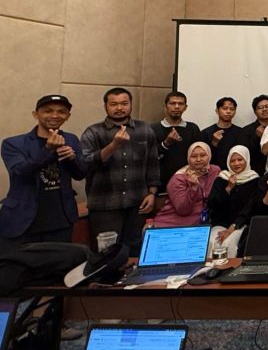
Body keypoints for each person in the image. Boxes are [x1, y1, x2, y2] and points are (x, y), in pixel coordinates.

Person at [1, 94, 88, 250]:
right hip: (22, 221)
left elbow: (80, 174)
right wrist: (48, 149)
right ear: (36, 114)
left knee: (59, 264)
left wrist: (72, 159)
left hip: (61, 221)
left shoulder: (71, 139)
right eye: (48, 111)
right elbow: (20, 173)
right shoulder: (13, 143)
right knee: (18, 264)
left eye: (61, 112)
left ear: (68, 116)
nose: (55, 115)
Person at [81, 88, 160, 253]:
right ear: (105, 106)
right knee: (106, 254)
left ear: (131, 105)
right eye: (114, 104)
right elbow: (85, 163)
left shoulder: (144, 129)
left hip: (137, 203)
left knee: (135, 251)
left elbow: (152, 164)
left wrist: (152, 193)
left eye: (124, 103)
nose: (119, 108)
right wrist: (113, 146)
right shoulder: (93, 132)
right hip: (105, 204)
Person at [207, 145, 261, 256]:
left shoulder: (254, 179)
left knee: (229, 243)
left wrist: (233, 227)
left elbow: (250, 208)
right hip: (221, 223)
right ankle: (211, 267)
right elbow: (213, 204)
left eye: (240, 160)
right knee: (213, 242)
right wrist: (228, 188)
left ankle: (230, 267)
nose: (236, 164)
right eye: (232, 161)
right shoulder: (222, 177)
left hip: (241, 224)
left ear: (246, 159)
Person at [152, 141, 219, 227]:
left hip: (199, 226)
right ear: (188, 158)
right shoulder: (178, 179)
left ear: (209, 156)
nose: (198, 159)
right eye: (194, 156)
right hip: (171, 226)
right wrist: (193, 188)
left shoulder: (214, 171)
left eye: (203, 155)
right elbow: (183, 210)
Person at [153, 91, 203, 195]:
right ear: (165, 106)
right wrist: (166, 143)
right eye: (172, 103)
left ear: (185, 107)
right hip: (161, 184)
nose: (176, 107)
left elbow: (200, 155)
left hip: (188, 183)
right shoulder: (154, 128)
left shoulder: (193, 128)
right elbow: (149, 156)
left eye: (180, 104)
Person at [201, 97, 243, 170]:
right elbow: (202, 156)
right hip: (213, 172)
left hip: (236, 171)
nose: (228, 111)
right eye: (225, 108)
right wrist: (214, 143)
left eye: (232, 109)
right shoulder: (206, 132)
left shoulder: (241, 132)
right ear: (217, 111)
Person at [241, 94, 268, 174]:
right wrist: (256, 137)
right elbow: (243, 154)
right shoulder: (246, 130)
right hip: (254, 173)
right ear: (255, 111)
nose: (264, 109)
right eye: (260, 107)